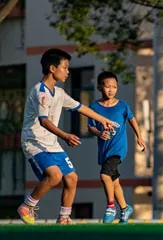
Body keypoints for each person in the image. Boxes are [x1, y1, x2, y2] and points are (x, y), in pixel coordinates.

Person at [17, 48, 116, 225]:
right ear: (52, 68)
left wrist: (104, 120)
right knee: (54, 176)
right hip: (34, 141)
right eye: (65, 67)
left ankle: (64, 217)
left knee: (72, 178)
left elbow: (81, 108)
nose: (68, 71)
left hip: (51, 142)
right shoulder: (41, 92)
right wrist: (65, 136)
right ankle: (27, 206)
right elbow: (43, 121)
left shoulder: (60, 93)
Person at [88, 71, 146, 223]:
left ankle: (110, 207)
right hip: (104, 150)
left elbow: (132, 120)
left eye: (114, 87)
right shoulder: (94, 106)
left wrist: (139, 136)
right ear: (100, 87)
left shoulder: (122, 106)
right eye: (108, 86)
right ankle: (125, 208)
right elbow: (90, 127)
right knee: (114, 182)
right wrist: (100, 133)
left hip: (118, 149)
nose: (111, 90)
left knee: (104, 176)